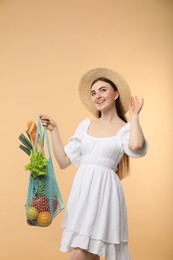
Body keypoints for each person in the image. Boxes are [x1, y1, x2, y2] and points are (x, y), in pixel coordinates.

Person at [40, 67, 148, 260]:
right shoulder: (85, 126)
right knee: (88, 252)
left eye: (103, 90)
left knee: (81, 254)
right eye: (93, 92)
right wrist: (54, 131)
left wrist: (135, 117)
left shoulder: (125, 129)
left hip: (106, 195)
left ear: (116, 94)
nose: (97, 95)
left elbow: (137, 146)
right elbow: (64, 161)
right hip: (83, 194)